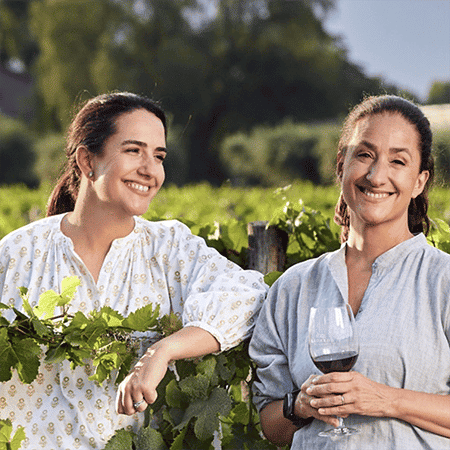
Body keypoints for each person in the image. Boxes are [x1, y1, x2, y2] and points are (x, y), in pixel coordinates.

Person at [0, 92, 267, 449]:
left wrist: (162, 352)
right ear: (87, 160)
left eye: (158, 156)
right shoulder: (18, 254)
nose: (150, 169)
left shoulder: (171, 248)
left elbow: (247, 295)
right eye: (133, 150)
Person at [249, 95, 450, 449]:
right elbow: (272, 426)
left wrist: (386, 400)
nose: (376, 175)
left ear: (420, 181)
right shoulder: (292, 288)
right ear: (341, 165)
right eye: (364, 154)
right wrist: (300, 405)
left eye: (398, 161)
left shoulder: (443, 281)